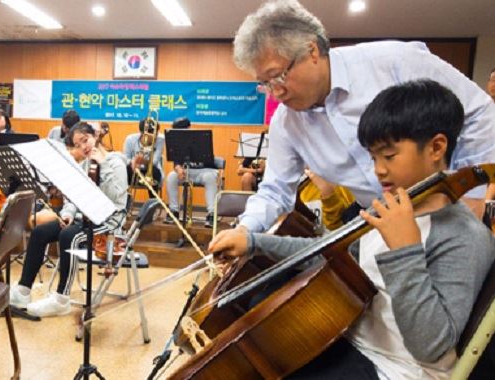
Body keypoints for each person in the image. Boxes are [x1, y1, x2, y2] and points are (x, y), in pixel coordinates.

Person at [210, 79, 495, 378]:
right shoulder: (384, 209)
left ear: (436, 147)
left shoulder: (464, 236)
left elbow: (430, 347)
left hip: (399, 370)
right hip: (352, 343)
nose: (378, 170)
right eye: (373, 157)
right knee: (263, 327)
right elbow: (324, 252)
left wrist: (404, 250)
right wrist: (253, 241)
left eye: (389, 156)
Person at [214, 0, 495, 249]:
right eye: (265, 83)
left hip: (446, 216)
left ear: (311, 51)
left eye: (278, 77)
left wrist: (471, 195)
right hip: (377, 228)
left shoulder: (393, 62)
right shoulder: (286, 124)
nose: (275, 92)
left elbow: (480, 113)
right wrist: (244, 229)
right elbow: (275, 191)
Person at [10, 122, 128, 317]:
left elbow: (115, 199)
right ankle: (23, 290)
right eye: (78, 144)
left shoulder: (116, 162)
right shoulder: (84, 165)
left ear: (95, 137)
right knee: (40, 232)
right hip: (85, 218)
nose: (84, 146)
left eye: (85, 140)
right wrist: (68, 214)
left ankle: (61, 299)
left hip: (108, 223)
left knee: (68, 236)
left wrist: (103, 165)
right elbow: (75, 197)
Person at [164, 117, 219, 228]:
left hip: (204, 172)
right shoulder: (176, 142)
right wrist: (178, 168)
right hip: (186, 172)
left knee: (209, 177)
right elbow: (176, 162)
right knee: (171, 177)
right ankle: (173, 211)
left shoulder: (201, 138)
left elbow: (209, 159)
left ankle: (212, 213)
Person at [123, 117, 165, 197]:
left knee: (155, 172)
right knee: (123, 170)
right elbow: (125, 158)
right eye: (151, 133)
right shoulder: (130, 139)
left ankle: (153, 203)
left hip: (150, 170)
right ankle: (124, 202)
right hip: (134, 169)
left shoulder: (160, 139)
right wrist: (133, 161)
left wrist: (143, 161)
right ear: (142, 133)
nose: (154, 136)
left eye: (156, 132)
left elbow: (155, 161)